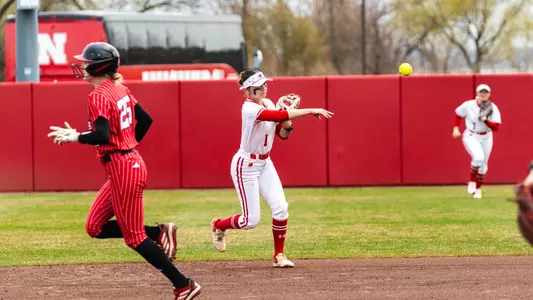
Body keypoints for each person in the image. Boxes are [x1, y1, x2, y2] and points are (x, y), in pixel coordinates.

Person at [47, 42, 201, 300]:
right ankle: (159, 232)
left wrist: (75, 136)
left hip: (123, 166)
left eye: (87, 62)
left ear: (99, 66)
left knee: (134, 238)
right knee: (94, 227)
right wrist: (127, 145)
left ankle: (184, 284)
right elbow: (146, 120)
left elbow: (102, 135)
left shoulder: (98, 95)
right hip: (126, 163)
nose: (83, 65)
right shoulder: (120, 89)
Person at [210, 68, 334, 267]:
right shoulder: (249, 108)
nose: (264, 89)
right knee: (250, 221)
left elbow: (282, 135)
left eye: (265, 85)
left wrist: (288, 126)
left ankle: (279, 256)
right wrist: (309, 110)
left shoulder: (267, 103)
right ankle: (218, 225)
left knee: (281, 208)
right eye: (259, 87)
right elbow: (276, 116)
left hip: (265, 163)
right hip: (246, 165)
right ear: (248, 91)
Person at [452, 84, 501, 199]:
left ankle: (478, 189)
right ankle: (472, 181)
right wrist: (455, 129)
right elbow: (458, 115)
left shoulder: (492, 107)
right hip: (471, 135)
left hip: (487, 136)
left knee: (483, 167)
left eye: (486, 92)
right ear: (477, 94)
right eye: (481, 92)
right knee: (478, 157)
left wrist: (486, 121)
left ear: (489, 94)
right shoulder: (469, 105)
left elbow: (496, 127)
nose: (483, 94)